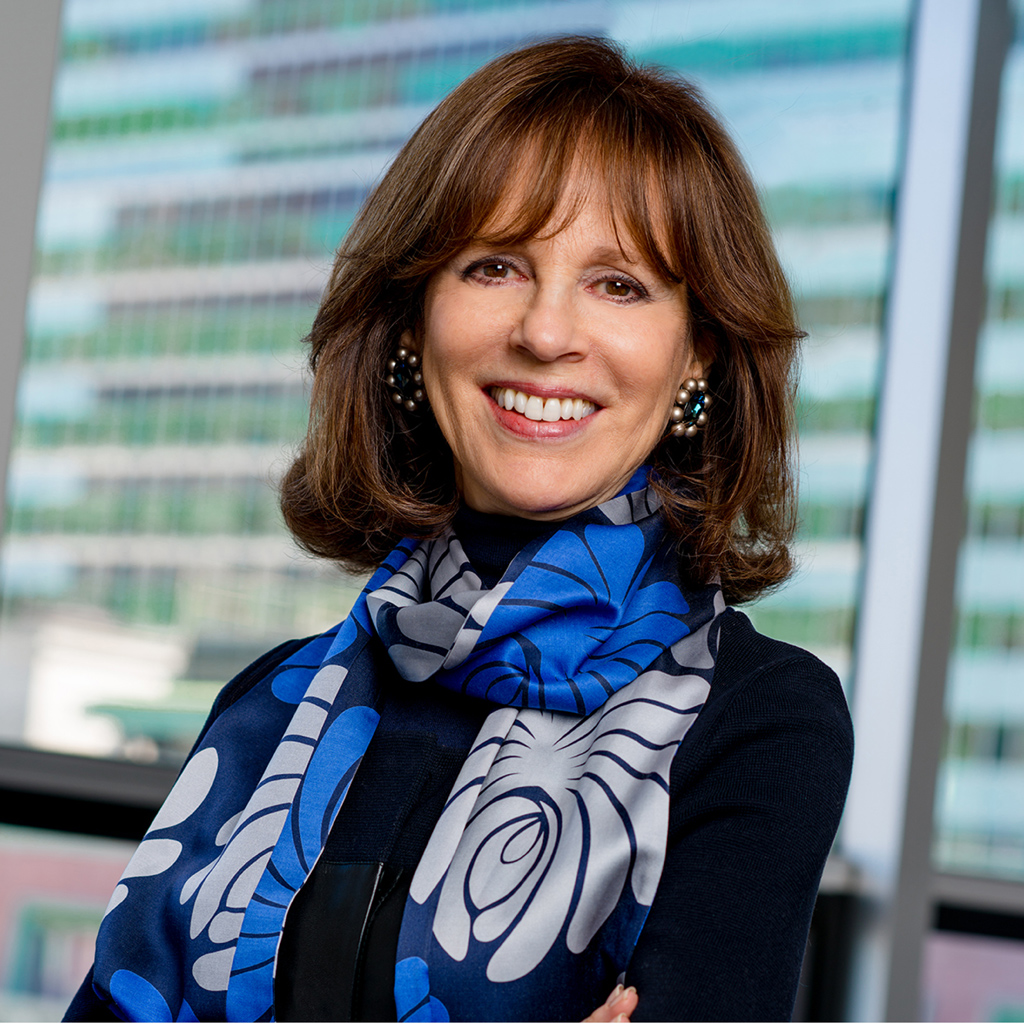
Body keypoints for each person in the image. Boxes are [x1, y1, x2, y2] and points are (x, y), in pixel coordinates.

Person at [66, 36, 853, 1023]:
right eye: (493, 266)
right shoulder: (265, 708)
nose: (545, 332)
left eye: (618, 285)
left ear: (695, 355)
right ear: (411, 323)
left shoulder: (759, 720)